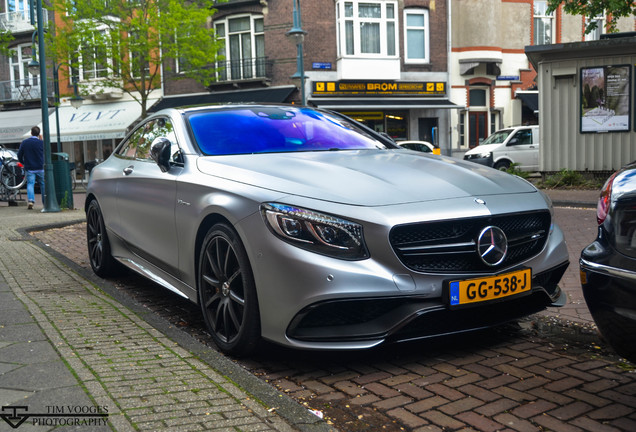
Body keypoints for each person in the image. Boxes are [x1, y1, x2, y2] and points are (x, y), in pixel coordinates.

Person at [18, 126, 45, 210]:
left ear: (31, 133)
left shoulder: (25, 142)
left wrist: (23, 162)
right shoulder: (41, 143)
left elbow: (19, 154)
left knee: (30, 184)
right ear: (39, 133)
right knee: (43, 184)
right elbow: (46, 152)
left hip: (30, 167)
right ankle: (45, 202)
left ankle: (31, 200)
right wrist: (42, 140)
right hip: (40, 167)